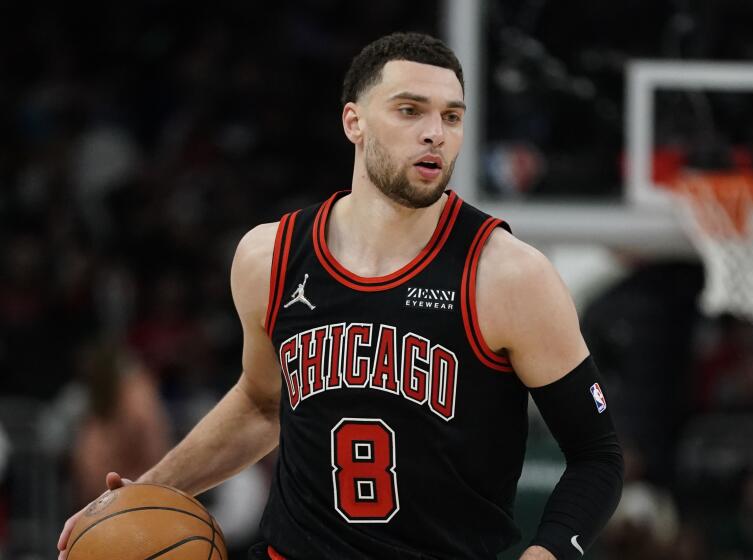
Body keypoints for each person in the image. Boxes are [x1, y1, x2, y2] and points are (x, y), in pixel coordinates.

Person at [58, 32, 623, 560]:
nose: (435, 133)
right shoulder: (269, 258)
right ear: (354, 121)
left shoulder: (508, 275)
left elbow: (597, 455)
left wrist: (548, 551)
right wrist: (148, 490)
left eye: (452, 116)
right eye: (410, 110)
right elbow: (261, 405)